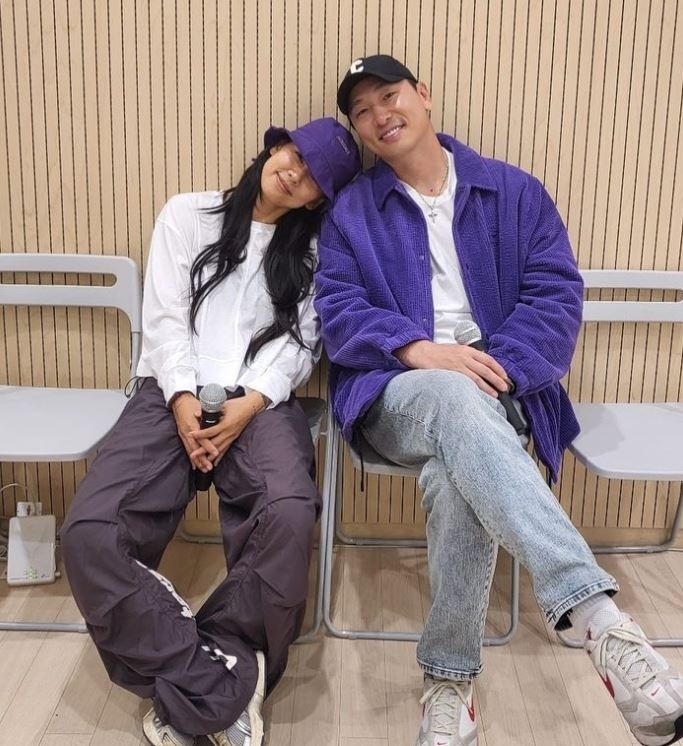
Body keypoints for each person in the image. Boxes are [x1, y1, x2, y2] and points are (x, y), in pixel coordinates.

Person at [315, 54, 683, 746]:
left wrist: (497, 368)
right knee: (449, 397)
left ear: (423, 95)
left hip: (503, 386)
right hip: (397, 390)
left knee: (455, 480)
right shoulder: (351, 212)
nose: (379, 116)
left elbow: (555, 297)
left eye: (388, 96)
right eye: (361, 111)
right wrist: (417, 350)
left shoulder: (513, 193)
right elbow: (336, 309)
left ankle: (449, 684)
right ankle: (598, 619)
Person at [60, 117, 360, 746]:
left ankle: (222, 654)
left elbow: (301, 343)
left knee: (289, 511)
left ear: (318, 201)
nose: (296, 173)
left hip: (261, 403)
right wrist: (181, 396)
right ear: (274, 147)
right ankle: (218, 684)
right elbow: (165, 318)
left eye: (314, 179)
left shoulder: (314, 253)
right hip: (169, 392)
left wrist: (252, 402)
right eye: (295, 154)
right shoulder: (187, 214)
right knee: (89, 531)